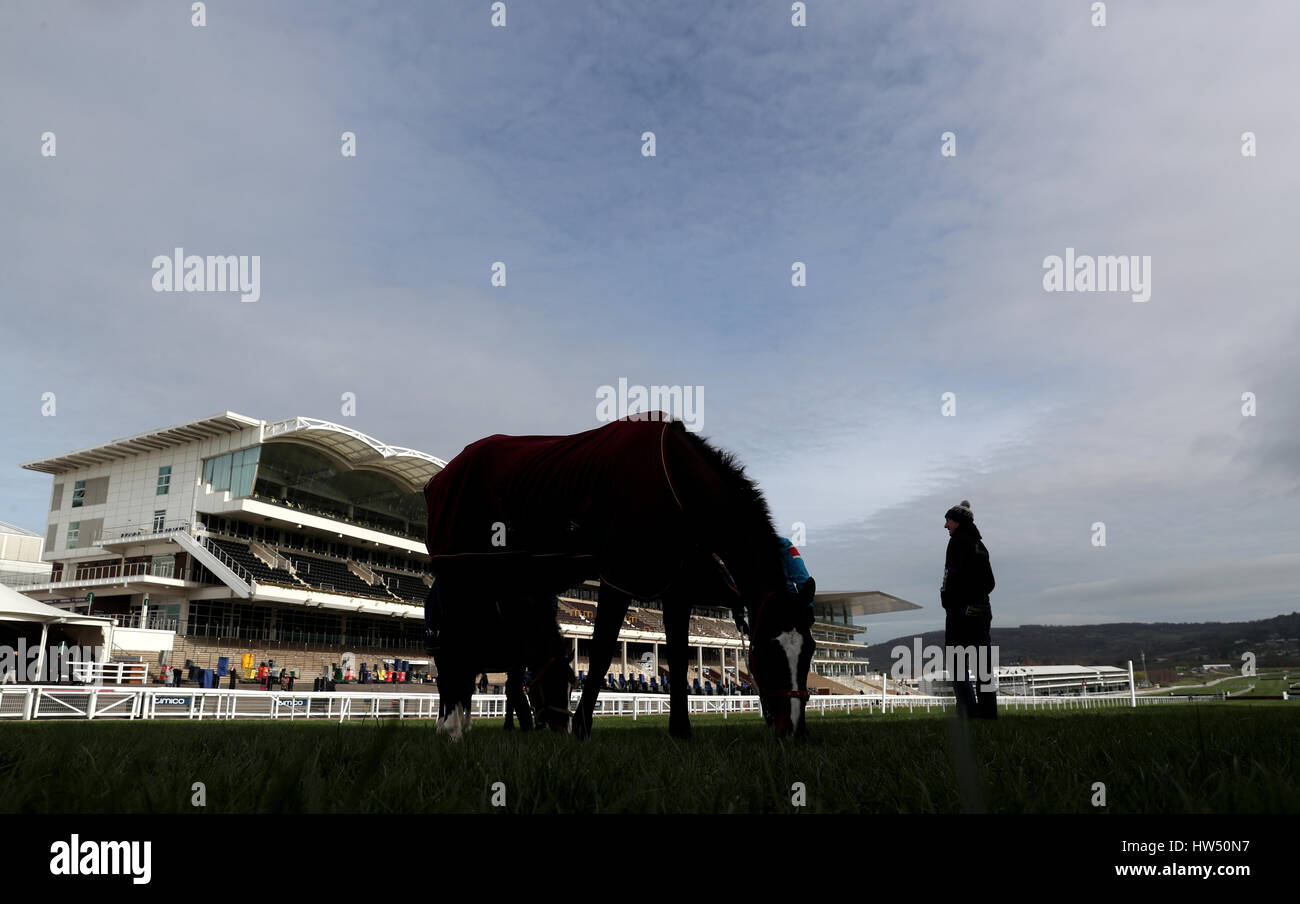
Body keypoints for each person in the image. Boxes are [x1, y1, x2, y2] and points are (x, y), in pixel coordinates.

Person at [940, 500, 997, 719]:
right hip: (982, 609)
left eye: (948, 520)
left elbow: (950, 576)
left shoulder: (956, 543)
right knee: (983, 664)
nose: (946, 525)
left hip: (960, 611)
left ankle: (967, 711)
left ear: (958, 522)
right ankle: (988, 712)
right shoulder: (980, 546)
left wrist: (949, 600)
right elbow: (990, 582)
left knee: (956, 662)